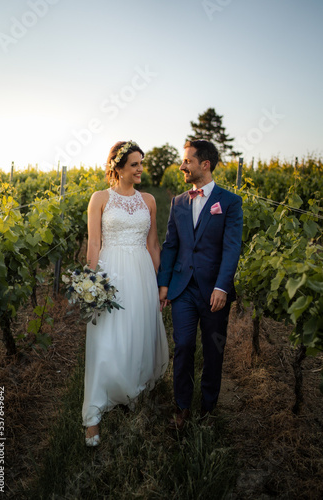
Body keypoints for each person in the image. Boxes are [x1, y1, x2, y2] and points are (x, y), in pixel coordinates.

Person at [82, 140, 169, 446]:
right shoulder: (100, 198)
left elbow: (153, 244)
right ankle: (93, 412)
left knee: (137, 330)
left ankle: (132, 387)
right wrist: (90, 284)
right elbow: (94, 244)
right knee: (106, 335)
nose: (140, 169)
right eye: (134, 164)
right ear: (117, 168)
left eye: (141, 163)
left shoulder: (148, 201)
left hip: (142, 272)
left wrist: (162, 283)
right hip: (111, 271)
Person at [158, 139, 243, 430]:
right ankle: (182, 408)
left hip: (213, 292)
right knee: (182, 346)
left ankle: (208, 408)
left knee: (212, 350)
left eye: (187, 161)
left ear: (204, 164)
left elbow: (232, 248)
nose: (182, 166)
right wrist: (165, 284)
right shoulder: (178, 202)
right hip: (183, 288)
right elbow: (171, 245)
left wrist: (222, 287)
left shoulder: (230, 202)